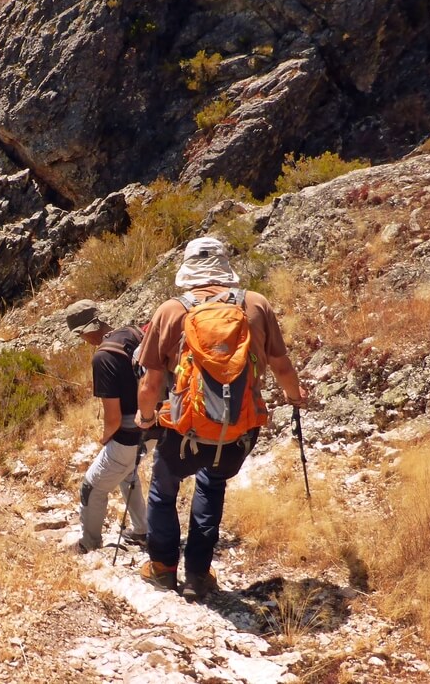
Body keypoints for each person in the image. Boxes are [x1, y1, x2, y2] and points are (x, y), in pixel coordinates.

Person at [134, 236, 308, 601]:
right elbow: (281, 366)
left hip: (184, 433)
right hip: (236, 434)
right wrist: (295, 398)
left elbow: (150, 384)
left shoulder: (170, 312)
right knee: (211, 487)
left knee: (163, 492)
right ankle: (198, 575)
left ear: (188, 272)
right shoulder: (255, 304)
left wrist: (145, 417)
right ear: (226, 268)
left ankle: (163, 568)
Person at [65, 299, 149, 553]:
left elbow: (112, 417)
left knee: (92, 487)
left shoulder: (102, 358)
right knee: (127, 474)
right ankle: (142, 530)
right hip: (154, 424)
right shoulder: (132, 332)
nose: (82, 339)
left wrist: (104, 439)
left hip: (128, 433)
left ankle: (88, 544)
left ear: (88, 330)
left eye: (80, 334)